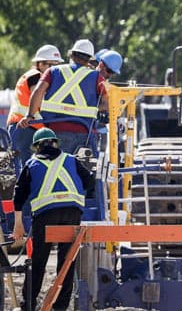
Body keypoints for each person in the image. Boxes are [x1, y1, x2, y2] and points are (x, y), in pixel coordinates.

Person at [12, 128, 94, 311]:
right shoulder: (72, 160)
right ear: (55, 143)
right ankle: (61, 307)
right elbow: (90, 182)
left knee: (38, 261)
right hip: (72, 213)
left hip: (46, 216)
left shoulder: (31, 164)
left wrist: (18, 225)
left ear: (37, 147)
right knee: (67, 262)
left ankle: (29, 306)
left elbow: (19, 196)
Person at [17, 39, 107, 155]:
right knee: (81, 170)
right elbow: (106, 104)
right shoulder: (97, 77)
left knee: (52, 167)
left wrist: (29, 116)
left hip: (55, 131)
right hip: (85, 133)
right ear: (89, 59)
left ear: (72, 54)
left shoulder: (52, 71)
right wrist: (92, 109)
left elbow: (38, 92)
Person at [6, 45, 64, 168]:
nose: (54, 69)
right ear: (40, 64)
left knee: (31, 165)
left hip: (28, 126)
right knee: (28, 166)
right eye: (51, 65)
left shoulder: (39, 77)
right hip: (24, 126)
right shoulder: (35, 76)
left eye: (57, 65)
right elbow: (38, 97)